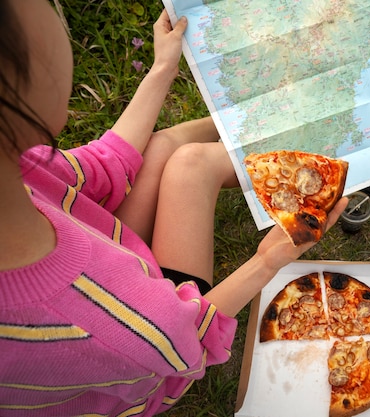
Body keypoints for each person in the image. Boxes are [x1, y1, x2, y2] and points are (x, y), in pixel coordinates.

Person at [0, 1, 346, 415]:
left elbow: (103, 163)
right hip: (160, 352)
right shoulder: (102, 325)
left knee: (165, 146)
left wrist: (163, 67)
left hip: (117, 271)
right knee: (189, 165)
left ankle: (265, 116)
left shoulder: (20, 171)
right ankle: (321, 146)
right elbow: (189, 343)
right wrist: (268, 260)